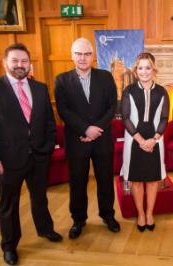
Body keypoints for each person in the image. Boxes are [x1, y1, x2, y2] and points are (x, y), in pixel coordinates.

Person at [0, 43, 62, 265]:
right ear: (5, 63)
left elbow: (50, 122)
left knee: (39, 197)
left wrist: (48, 147)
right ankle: (10, 245)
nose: (20, 65)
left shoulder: (40, 88)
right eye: (15, 61)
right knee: (8, 204)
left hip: (39, 156)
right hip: (6, 161)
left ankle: (45, 229)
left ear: (30, 63)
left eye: (24, 61)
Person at [55, 37, 120, 239]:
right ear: (72, 55)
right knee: (77, 183)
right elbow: (63, 110)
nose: (82, 58)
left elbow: (112, 106)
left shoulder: (106, 76)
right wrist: (85, 129)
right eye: (78, 54)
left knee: (105, 181)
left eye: (86, 54)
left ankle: (108, 216)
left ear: (93, 56)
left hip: (102, 139)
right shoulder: (62, 80)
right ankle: (78, 220)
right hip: (76, 140)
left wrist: (96, 129)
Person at [120, 52, 169, 232]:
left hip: (156, 141)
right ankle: (140, 213)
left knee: (153, 180)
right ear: (136, 70)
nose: (144, 71)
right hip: (134, 141)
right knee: (137, 180)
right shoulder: (129, 91)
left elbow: (165, 118)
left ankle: (150, 213)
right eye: (140, 68)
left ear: (153, 69)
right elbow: (125, 118)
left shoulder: (162, 91)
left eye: (147, 68)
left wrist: (154, 139)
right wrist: (141, 140)